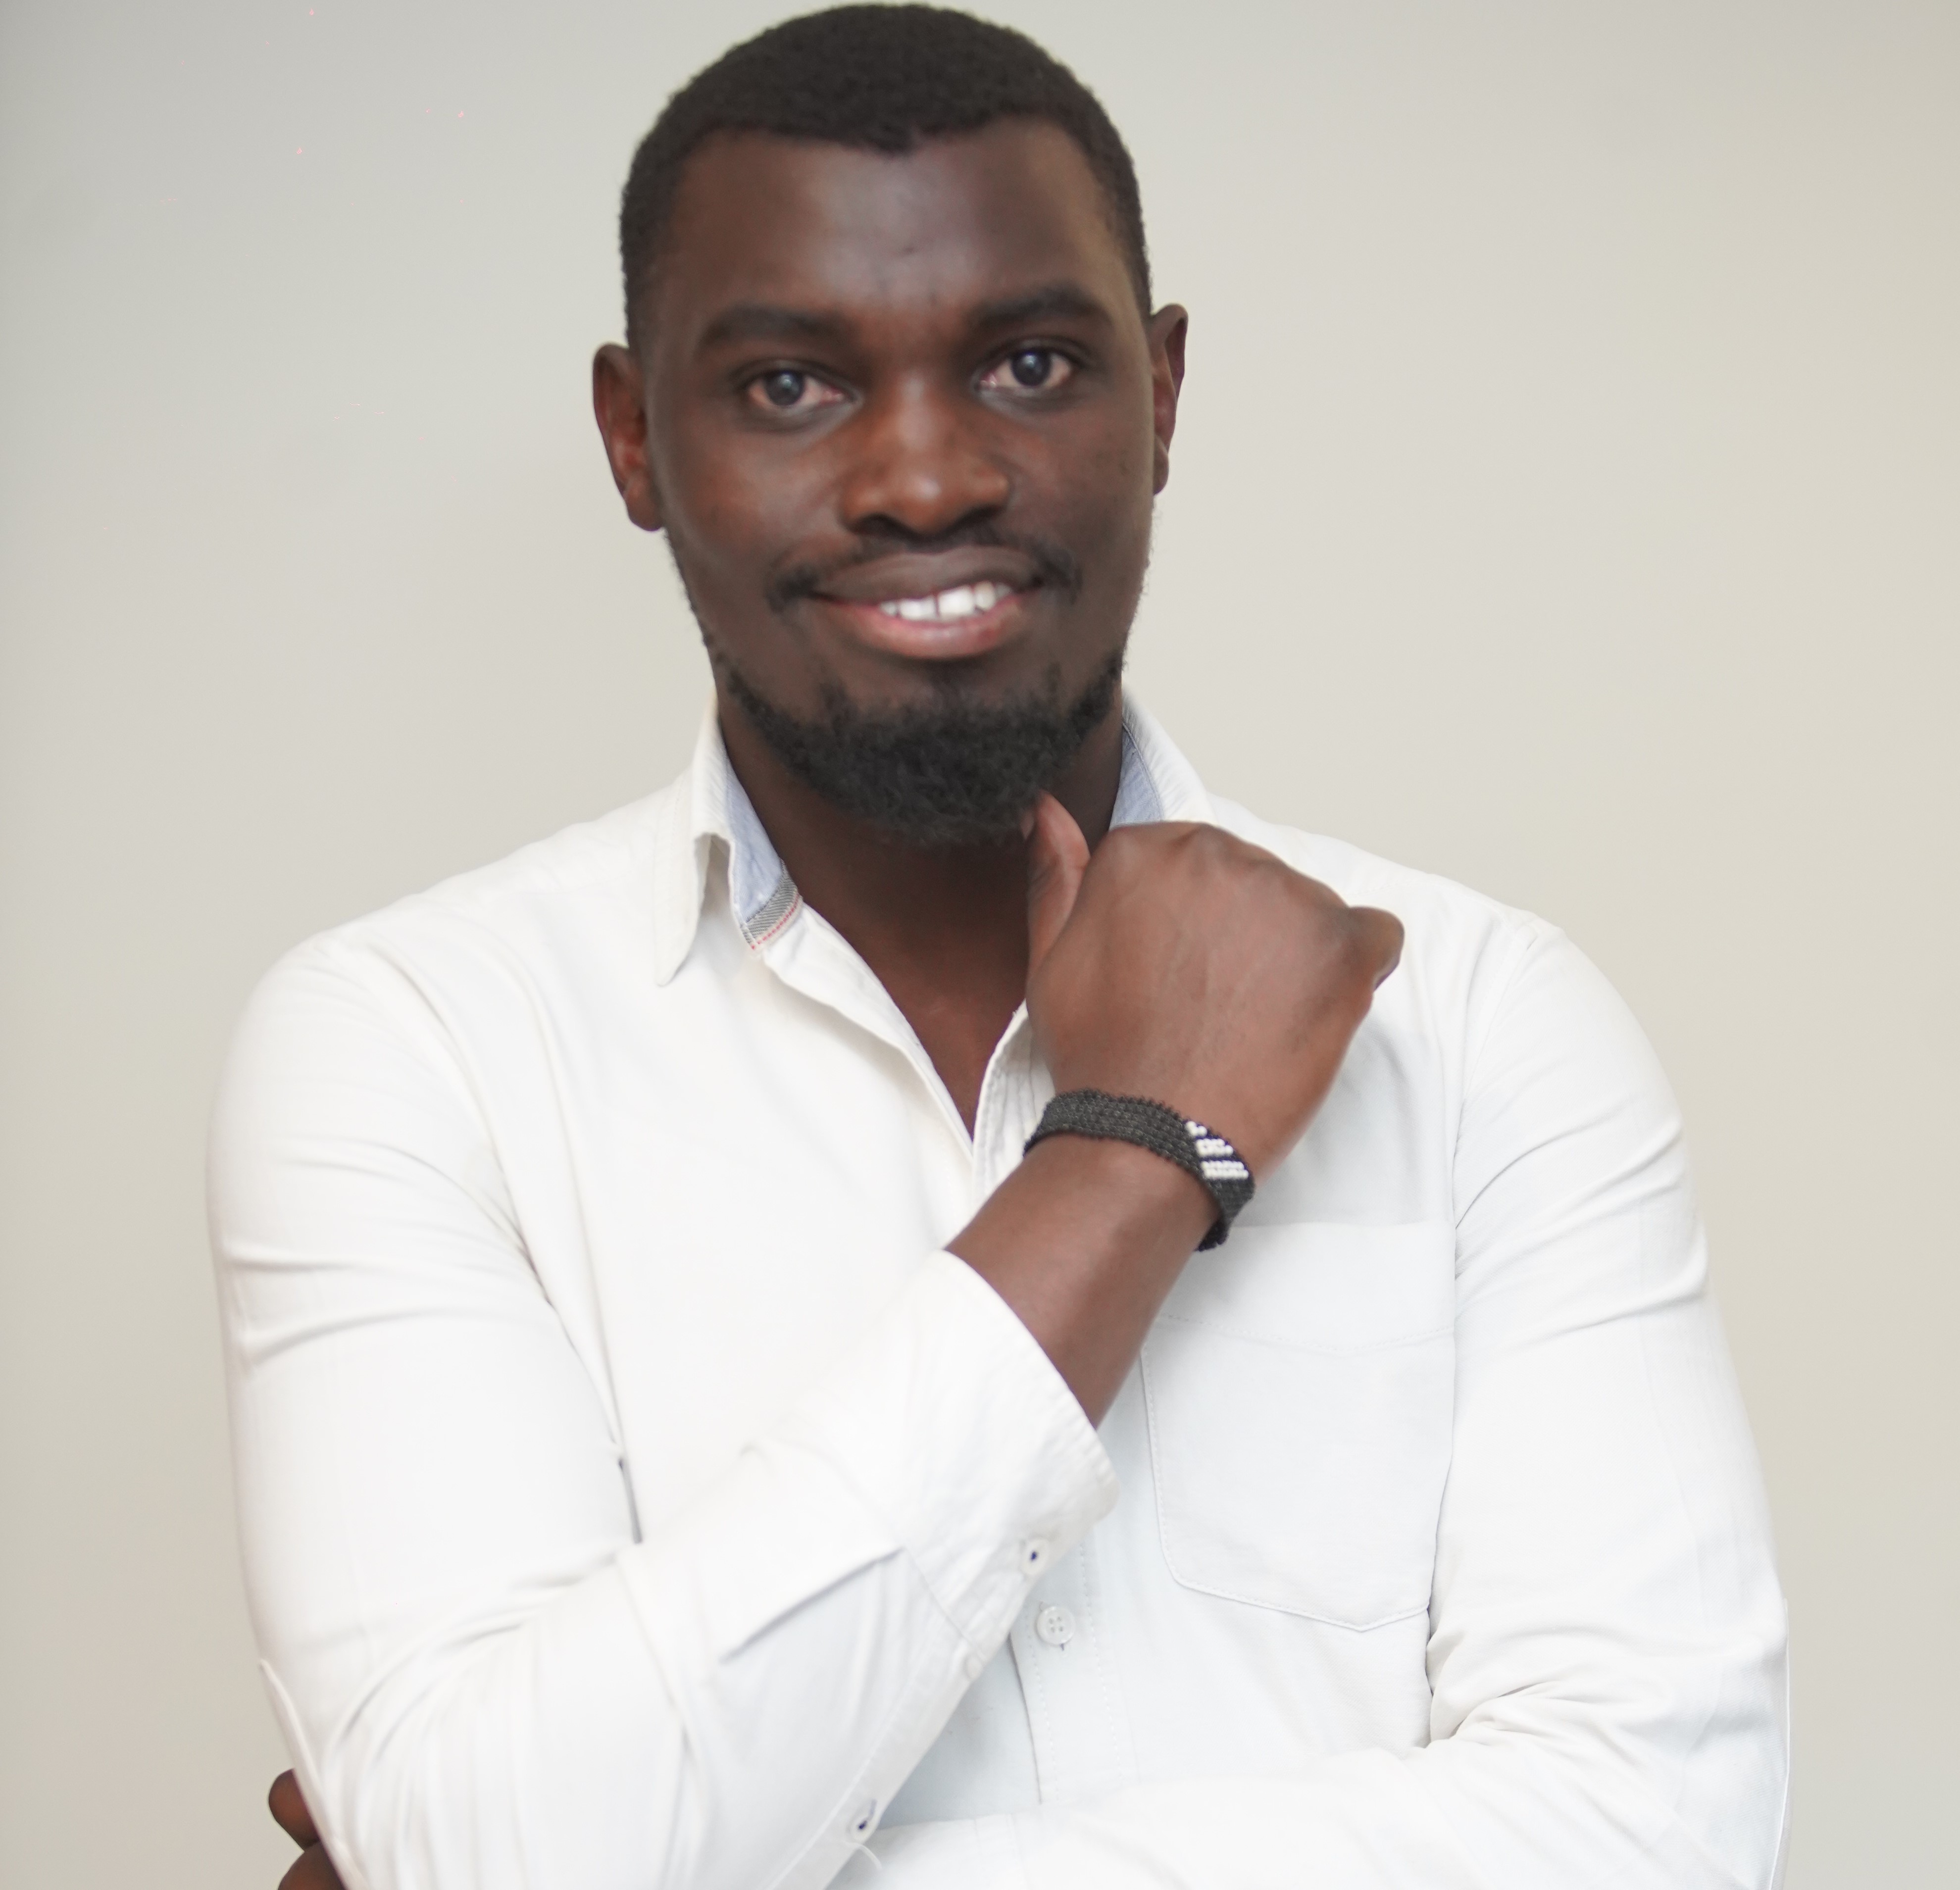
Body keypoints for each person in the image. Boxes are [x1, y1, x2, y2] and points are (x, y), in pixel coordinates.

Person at [211, 8, 1789, 1888]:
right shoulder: (409, 1053)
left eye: (1031, 364)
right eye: (791, 384)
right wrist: (1127, 1159)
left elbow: (1663, 1833)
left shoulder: (1483, 1022)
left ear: (1164, 394)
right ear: (636, 438)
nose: (927, 475)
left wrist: (603, 1839)